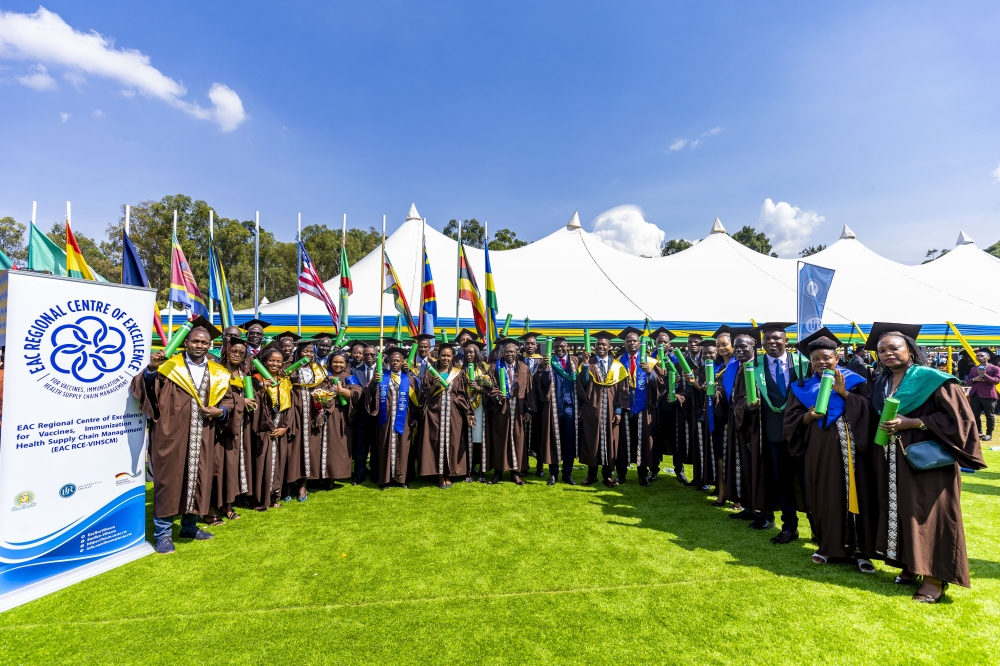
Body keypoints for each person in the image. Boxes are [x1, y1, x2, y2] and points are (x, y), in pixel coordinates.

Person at [868, 322, 986, 602]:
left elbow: (961, 422)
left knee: (930, 514)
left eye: (894, 348)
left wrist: (916, 422)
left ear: (909, 349)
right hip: (893, 461)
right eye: (882, 350)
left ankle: (935, 578)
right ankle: (911, 565)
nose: (887, 354)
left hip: (928, 463)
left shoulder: (934, 379)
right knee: (904, 511)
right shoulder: (881, 382)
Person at [131, 316, 234, 554]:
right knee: (169, 482)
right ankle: (163, 534)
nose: (199, 345)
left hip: (204, 435)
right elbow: (144, 389)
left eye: (204, 343)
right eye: (195, 341)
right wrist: (150, 370)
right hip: (171, 434)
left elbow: (229, 400)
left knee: (199, 478)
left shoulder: (218, 372)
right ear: (186, 342)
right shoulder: (169, 367)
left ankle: (189, 526)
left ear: (210, 346)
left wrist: (222, 410)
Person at [783, 328, 876, 573]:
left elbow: (871, 409)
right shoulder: (801, 387)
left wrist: (844, 393)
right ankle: (827, 546)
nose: (821, 362)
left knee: (858, 493)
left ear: (837, 357)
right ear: (810, 362)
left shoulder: (855, 381)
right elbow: (791, 419)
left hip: (854, 447)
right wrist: (808, 416)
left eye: (827, 357)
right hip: (820, 448)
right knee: (825, 493)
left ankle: (861, 551)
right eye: (816, 359)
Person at [747, 322, 805, 543]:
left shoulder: (803, 364)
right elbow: (741, 398)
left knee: (807, 481)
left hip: (801, 432)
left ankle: (819, 528)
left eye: (776, 338)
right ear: (761, 343)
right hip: (773, 434)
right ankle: (789, 526)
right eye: (767, 339)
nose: (772, 342)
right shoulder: (753, 366)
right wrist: (750, 406)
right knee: (782, 483)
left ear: (786, 341)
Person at [212, 336, 256, 524]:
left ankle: (228, 504)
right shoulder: (217, 372)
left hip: (241, 425)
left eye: (241, 352)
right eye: (234, 351)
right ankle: (213, 506)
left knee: (234, 465)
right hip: (221, 427)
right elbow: (216, 398)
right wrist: (241, 401)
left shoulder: (243, 373)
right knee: (219, 466)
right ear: (226, 351)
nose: (237, 354)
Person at [417, 342, 474, 488]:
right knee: (436, 443)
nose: (446, 358)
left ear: (452, 356)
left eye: (448, 356)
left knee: (452, 443)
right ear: (438, 356)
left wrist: (467, 412)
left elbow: (461, 395)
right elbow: (422, 395)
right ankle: (439, 475)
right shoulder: (430, 373)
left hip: (453, 414)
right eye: (443, 355)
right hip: (434, 415)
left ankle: (449, 474)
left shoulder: (458, 373)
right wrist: (435, 386)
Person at [576, 332, 628, 487]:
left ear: (609, 347)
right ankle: (591, 475)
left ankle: (607, 475)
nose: (601, 347)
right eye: (598, 344)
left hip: (611, 410)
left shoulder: (618, 366)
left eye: (604, 344)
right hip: (592, 409)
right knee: (593, 441)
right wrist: (585, 365)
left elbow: (623, 390)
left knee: (610, 441)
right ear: (594, 346)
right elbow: (583, 384)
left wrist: (618, 411)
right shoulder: (588, 363)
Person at [364, 346, 419, 489]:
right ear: (388, 361)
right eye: (392, 360)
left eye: (398, 360)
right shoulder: (381, 376)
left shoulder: (409, 379)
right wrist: (374, 383)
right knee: (384, 447)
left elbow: (415, 402)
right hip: (385, 419)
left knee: (404, 448)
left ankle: (402, 480)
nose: (395, 363)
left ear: (402, 362)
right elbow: (368, 394)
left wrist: (415, 418)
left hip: (404, 420)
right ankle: (385, 479)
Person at [616, 327, 664, 486]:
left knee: (642, 441)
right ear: (625, 343)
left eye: (634, 340)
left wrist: (651, 373)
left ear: (639, 343)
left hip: (644, 408)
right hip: (624, 407)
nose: (631, 343)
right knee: (623, 440)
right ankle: (621, 473)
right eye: (628, 341)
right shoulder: (618, 362)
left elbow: (661, 383)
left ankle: (642, 474)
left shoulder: (649, 361)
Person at [724, 328, 763, 519]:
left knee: (755, 465)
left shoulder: (758, 368)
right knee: (743, 464)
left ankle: (761, 510)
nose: (739, 350)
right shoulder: (736, 367)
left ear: (754, 346)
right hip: (738, 422)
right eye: (736, 346)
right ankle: (747, 506)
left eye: (743, 346)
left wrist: (745, 406)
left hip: (754, 425)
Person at [250, 347, 294, 511]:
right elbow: (252, 404)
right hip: (263, 429)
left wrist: (285, 427)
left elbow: (290, 406)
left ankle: (276, 496)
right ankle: (262, 499)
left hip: (280, 427)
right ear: (264, 362)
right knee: (263, 462)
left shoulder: (285, 381)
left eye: (278, 361)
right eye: (271, 360)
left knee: (278, 462)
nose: (275, 364)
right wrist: (261, 389)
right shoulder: (256, 379)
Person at [532, 337, 580, 485]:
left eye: (562, 346)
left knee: (569, 440)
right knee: (553, 439)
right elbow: (543, 384)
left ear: (567, 346)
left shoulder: (575, 361)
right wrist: (545, 369)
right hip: (553, 406)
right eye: (557, 346)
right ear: (553, 348)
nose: (559, 349)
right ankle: (553, 473)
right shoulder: (546, 362)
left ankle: (567, 473)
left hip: (571, 406)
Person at [486, 339, 534, 484]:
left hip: (518, 409)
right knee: (499, 440)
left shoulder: (524, 368)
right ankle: (498, 472)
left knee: (518, 440)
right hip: (501, 408)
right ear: (503, 353)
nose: (509, 354)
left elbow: (529, 391)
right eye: (507, 352)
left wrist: (529, 410)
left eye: (512, 352)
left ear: (516, 352)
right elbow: (489, 386)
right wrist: (496, 395)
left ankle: (515, 472)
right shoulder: (494, 367)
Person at [287, 340, 329, 502]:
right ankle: (288, 484)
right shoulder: (289, 368)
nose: (309, 355)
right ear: (298, 353)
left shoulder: (319, 370)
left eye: (311, 352)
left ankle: (304, 484)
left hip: (312, 412)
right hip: (293, 411)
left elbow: (325, 390)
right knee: (292, 448)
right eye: (305, 351)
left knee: (309, 448)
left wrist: (321, 411)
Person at [680, 337, 719, 492]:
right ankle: (699, 478)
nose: (708, 356)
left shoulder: (721, 370)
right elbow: (690, 393)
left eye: (711, 353)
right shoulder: (697, 372)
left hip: (716, 415)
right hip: (700, 414)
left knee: (714, 450)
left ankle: (715, 481)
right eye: (705, 354)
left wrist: (697, 385)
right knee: (700, 448)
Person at [323, 351, 362, 485]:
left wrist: (341, 391)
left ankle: (333, 475)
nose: (337, 365)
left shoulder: (349, 377)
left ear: (345, 364)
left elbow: (357, 395)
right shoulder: (324, 376)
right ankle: (322, 475)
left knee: (337, 446)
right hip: (323, 415)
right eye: (335, 362)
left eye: (341, 362)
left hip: (340, 416)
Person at [649, 327, 678, 481]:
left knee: (676, 437)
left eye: (665, 342)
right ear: (655, 343)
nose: (662, 345)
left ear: (669, 344)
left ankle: (679, 469)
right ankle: (653, 469)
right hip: (655, 405)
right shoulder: (650, 360)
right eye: (659, 342)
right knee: (654, 437)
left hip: (673, 405)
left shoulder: (678, 360)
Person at [463, 341, 493, 482]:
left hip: (480, 407)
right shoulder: (461, 370)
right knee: (467, 440)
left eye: (471, 352)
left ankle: (481, 471)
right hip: (466, 407)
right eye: (466, 352)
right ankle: (468, 470)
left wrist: (479, 388)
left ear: (477, 354)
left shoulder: (485, 370)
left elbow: (490, 390)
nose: (469, 355)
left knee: (480, 439)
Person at [350, 344, 379, 484]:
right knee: (360, 446)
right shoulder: (355, 370)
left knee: (375, 445)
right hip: (361, 414)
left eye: (372, 354)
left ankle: (374, 473)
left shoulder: (384, 371)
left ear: (376, 356)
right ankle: (359, 474)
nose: (369, 357)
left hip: (378, 414)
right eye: (366, 354)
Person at [965, 348, 999, 441]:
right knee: (975, 414)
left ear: (987, 357)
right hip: (975, 395)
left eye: (982, 356)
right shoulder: (973, 369)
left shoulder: (995, 368)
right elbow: (968, 381)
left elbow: (996, 381)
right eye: (978, 356)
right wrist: (973, 379)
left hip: (989, 395)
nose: (979, 357)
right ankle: (978, 432)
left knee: (989, 415)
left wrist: (985, 376)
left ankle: (989, 434)